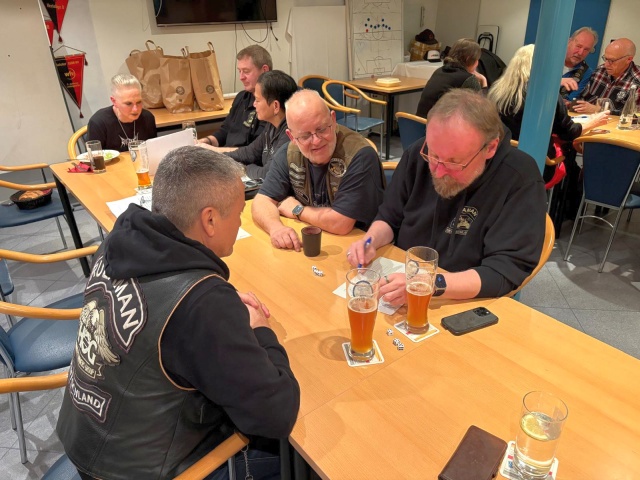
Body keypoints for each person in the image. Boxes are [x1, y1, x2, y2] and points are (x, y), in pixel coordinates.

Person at [56, 147, 300, 479]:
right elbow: (278, 414)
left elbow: (159, 314)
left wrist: (219, 310)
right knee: (297, 456)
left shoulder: (120, 241)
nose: (239, 221)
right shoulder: (202, 303)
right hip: (138, 471)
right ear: (210, 220)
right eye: (238, 212)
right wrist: (261, 330)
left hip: (85, 439)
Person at [348, 89, 546, 301]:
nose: (439, 171)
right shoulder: (417, 154)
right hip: (401, 283)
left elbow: (504, 271)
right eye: (433, 155)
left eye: (454, 162)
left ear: (490, 148)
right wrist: (370, 241)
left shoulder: (519, 178)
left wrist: (429, 284)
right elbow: (389, 216)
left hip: (463, 299)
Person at [252, 89, 385, 251]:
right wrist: (276, 228)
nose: (316, 141)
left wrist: (297, 210)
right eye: (305, 136)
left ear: (333, 120)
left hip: (362, 251)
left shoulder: (360, 155)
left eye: (322, 129)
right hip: (318, 245)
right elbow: (261, 201)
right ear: (292, 137)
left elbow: (341, 223)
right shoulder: (288, 152)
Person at [489, 45, 608, 164]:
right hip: (536, 163)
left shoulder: (496, 92)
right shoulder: (547, 96)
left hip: (498, 157)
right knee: (570, 161)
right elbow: (568, 133)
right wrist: (592, 122)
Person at [200, 70, 298, 180]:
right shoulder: (271, 126)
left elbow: (267, 173)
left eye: (257, 100)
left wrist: (244, 168)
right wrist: (212, 155)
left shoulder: (289, 134)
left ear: (275, 106)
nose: (254, 104)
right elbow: (249, 153)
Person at [199, 45, 272, 147]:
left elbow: (254, 151)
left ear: (264, 70)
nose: (241, 77)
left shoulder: (270, 104)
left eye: (246, 71)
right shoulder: (241, 97)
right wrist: (206, 141)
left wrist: (214, 151)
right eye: (239, 71)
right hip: (225, 154)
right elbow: (224, 131)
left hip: (241, 156)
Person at [416, 38, 487, 118]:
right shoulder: (468, 79)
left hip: (419, 123)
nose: (477, 63)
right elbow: (483, 111)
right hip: (436, 124)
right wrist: (484, 81)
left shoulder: (439, 71)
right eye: (477, 60)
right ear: (469, 59)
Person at [87, 73, 157, 152]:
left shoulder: (148, 118)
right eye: (128, 104)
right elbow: (94, 157)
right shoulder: (98, 122)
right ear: (114, 101)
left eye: (139, 102)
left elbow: (153, 151)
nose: (135, 109)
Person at [574, 38, 640, 115]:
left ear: (629, 59)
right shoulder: (600, 71)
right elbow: (583, 98)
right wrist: (573, 104)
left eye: (612, 61)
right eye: (605, 59)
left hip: (612, 122)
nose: (606, 64)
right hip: (585, 119)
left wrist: (599, 110)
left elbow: (634, 115)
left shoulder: (637, 80)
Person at [560, 27, 599, 101]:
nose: (580, 53)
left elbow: (570, 100)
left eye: (586, 49)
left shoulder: (587, 73)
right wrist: (558, 82)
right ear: (569, 42)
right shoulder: (551, 61)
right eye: (578, 46)